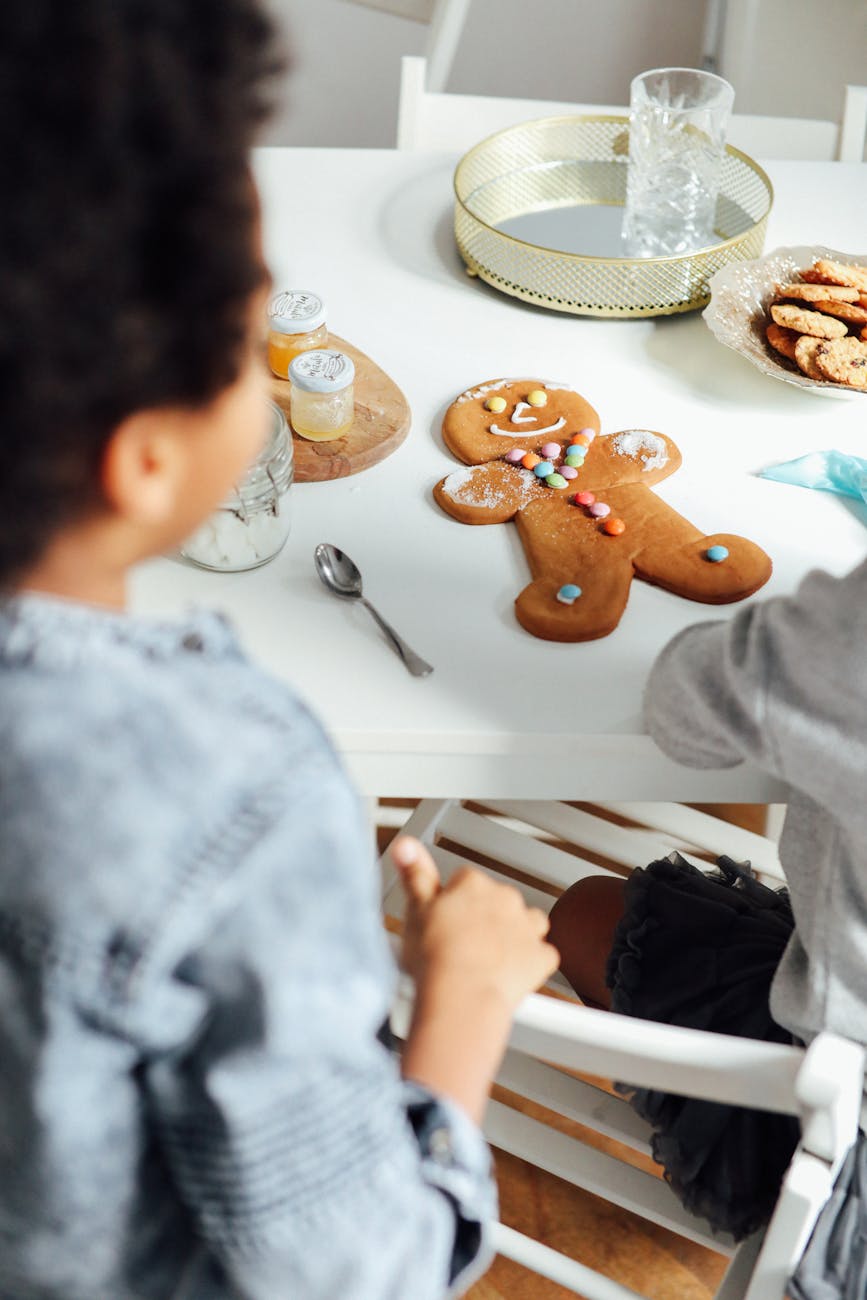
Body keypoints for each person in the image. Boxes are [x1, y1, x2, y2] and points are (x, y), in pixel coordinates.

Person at [0, 4, 558, 1297]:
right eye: (249, 345)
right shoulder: (231, 801)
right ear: (140, 462)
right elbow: (360, 1276)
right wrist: (460, 1007)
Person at [549, 563, 867, 1289]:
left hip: (834, 1140)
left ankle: (737, 1159)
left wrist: (793, 623)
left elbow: (682, 707)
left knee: (580, 913)